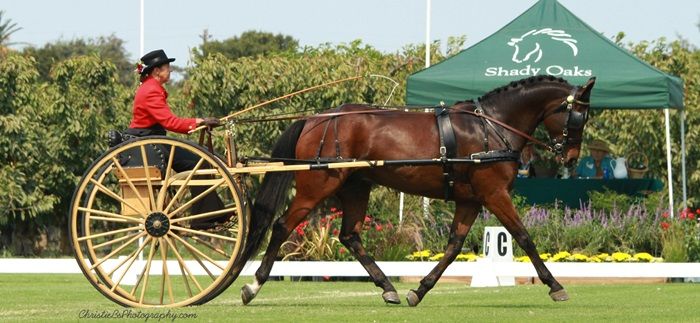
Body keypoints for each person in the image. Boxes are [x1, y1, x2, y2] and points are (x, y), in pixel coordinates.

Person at [126, 49, 224, 227]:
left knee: (200, 159)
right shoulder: (151, 91)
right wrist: (199, 121)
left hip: (153, 141)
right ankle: (204, 217)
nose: (170, 71)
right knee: (200, 162)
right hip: (151, 144)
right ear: (156, 71)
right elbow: (170, 122)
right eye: (167, 67)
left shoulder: (151, 88)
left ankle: (209, 213)